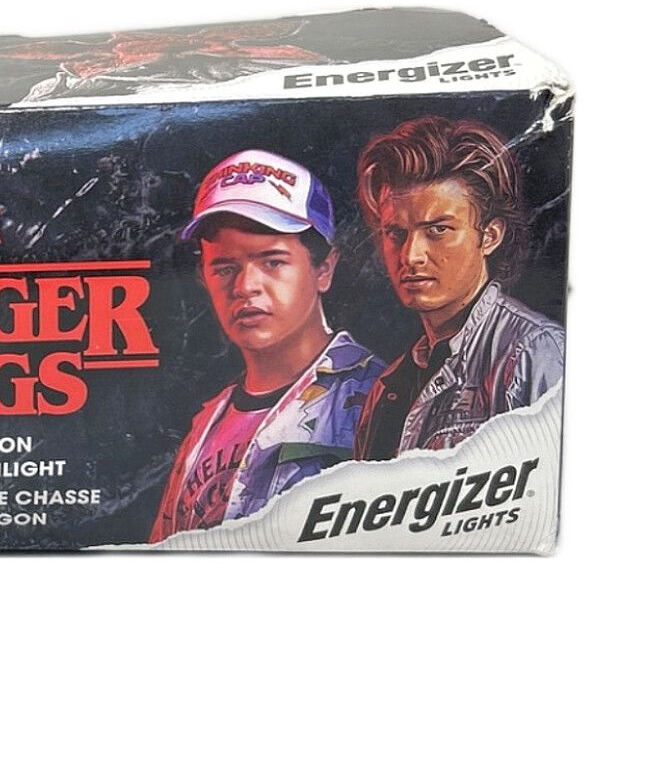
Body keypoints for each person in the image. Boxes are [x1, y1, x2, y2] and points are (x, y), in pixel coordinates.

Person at [151, 149, 383, 544]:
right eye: (225, 268)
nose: (245, 287)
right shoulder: (204, 426)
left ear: (324, 269)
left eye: (272, 262)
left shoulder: (379, 396)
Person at [352, 115, 564, 459]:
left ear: (490, 236)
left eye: (438, 230)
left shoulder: (535, 353)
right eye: (396, 233)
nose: (411, 255)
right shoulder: (388, 387)